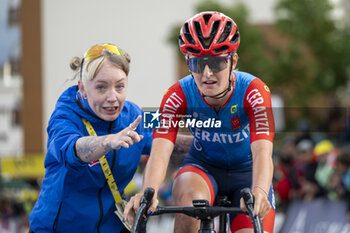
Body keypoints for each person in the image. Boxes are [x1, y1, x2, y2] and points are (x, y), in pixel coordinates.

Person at [124, 11, 276, 233]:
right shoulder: (177, 95)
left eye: (216, 63)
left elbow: (263, 150)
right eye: (197, 63)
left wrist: (260, 190)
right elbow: (160, 150)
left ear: (233, 60)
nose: (207, 73)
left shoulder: (254, 92)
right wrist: (149, 192)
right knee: (190, 207)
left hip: (248, 172)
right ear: (188, 62)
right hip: (202, 168)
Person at [28, 43, 152, 233]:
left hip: (114, 228)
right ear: (83, 89)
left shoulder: (133, 114)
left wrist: (207, 130)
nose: (113, 97)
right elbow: (73, 148)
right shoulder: (64, 114)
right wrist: (108, 141)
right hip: (58, 229)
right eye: (101, 88)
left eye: (120, 86)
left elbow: (169, 138)